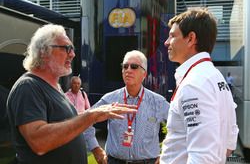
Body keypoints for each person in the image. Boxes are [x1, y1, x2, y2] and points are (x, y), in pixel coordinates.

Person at [6, 24, 137, 164]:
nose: (72, 54)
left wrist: (96, 115)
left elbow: (66, 121)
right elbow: (39, 141)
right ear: (44, 51)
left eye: (72, 49)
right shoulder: (28, 87)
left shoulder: (55, 87)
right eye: (66, 48)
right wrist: (90, 116)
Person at [160, 8, 239, 164]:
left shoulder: (195, 84)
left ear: (191, 39)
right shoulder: (214, 76)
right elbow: (229, 144)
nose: (166, 42)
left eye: (172, 36)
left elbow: (203, 158)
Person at [92, 50, 170, 164]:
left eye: (134, 66)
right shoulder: (109, 99)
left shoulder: (158, 102)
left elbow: (179, 125)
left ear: (144, 74)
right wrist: (96, 149)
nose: (128, 70)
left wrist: (166, 153)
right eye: (125, 66)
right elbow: (86, 121)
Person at [65, 76, 107, 163]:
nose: (76, 85)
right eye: (74, 83)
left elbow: (89, 109)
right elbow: (66, 114)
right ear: (70, 84)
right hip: (71, 127)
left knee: (83, 151)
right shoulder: (65, 96)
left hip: (84, 127)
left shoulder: (83, 95)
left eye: (78, 84)